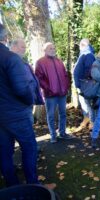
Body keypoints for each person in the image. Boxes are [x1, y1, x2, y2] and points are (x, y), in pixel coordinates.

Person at [0, 24, 39, 186]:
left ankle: (13, 187)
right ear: (5, 38)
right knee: (29, 148)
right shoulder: (10, 58)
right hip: (16, 114)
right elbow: (21, 89)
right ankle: (33, 185)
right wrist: (31, 100)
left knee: (4, 152)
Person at [35, 42, 72, 143]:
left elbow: (65, 75)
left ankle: (62, 132)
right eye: (50, 48)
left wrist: (66, 87)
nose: (53, 49)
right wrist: (48, 88)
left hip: (62, 93)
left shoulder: (59, 61)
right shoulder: (40, 62)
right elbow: (38, 78)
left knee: (63, 113)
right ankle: (53, 135)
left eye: (53, 48)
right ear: (45, 50)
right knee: (50, 115)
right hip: (50, 94)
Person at [73, 38, 96, 132]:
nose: (81, 46)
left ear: (87, 45)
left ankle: (93, 122)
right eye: (81, 44)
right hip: (81, 84)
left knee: (88, 104)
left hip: (85, 84)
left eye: (83, 44)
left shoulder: (88, 54)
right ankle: (86, 119)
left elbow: (89, 69)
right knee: (84, 103)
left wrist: (84, 80)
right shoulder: (83, 53)